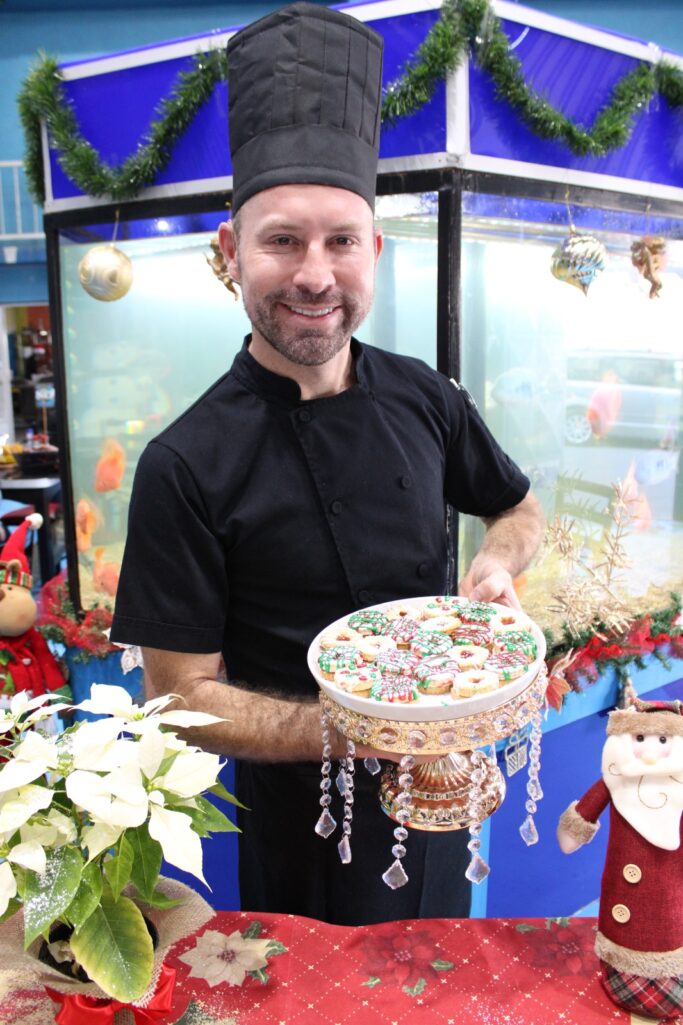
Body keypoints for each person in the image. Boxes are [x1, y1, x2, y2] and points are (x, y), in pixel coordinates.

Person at [111, 1, 544, 926]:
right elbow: (177, 699)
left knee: (445, 966)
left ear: (373, 251)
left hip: (444, 797)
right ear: (230, 253)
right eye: (282, 240)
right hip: (303, 832)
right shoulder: (183, 463)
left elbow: (515, 507)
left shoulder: (425, 395)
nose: (315, 273)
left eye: (341, 240)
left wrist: (496, 564)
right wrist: (367, 729)